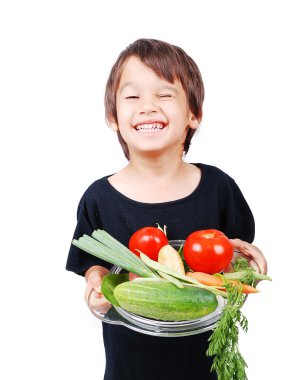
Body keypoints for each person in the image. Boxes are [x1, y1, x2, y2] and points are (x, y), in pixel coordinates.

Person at [66, 38, 268, 380]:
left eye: (164, 94)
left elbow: (233, 262)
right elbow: (95, 271)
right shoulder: (99, 197)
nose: (147, 106)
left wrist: (249, 265)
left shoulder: (218, 187)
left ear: (194, 115)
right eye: (132, 96)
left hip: (211, 367)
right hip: (129, 370)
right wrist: (96, 292)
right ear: (113, 117)